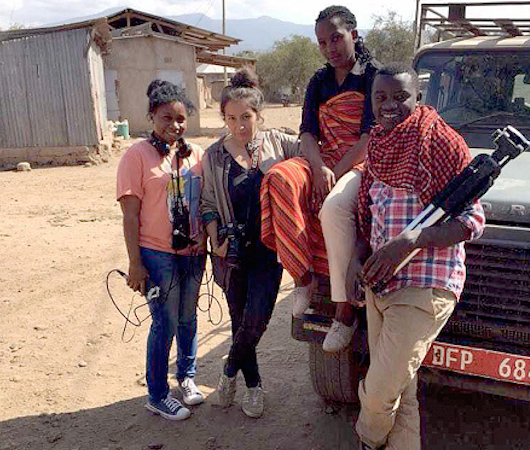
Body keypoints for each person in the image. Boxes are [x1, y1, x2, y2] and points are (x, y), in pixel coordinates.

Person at [353, 63, 485, 450]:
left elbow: (472, 221)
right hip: (380, 285)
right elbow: (369, 213)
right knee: (399, 394)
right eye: (381, 97)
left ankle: (366, 440)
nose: (390, 105)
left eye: (400, 96)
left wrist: (411, 240)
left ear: (419, 98)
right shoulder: (378, 143)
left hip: (425, 287)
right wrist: (355, 259)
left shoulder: (441, 142)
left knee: (377, 394)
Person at [259, 5, 380, 352]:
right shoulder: (319, 80)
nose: (331, 48)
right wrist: (316, 169)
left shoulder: (373, 76)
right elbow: (308, 133)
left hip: (360, 163)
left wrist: (333, 174)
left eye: (336, 38)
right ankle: (303, 276)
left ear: (353, 35)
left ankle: (344, 312)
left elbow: (369, 137)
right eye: (323, 42)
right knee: (279, 178)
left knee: (335, 206)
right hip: (322, 160)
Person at [200, 67, 300, 418]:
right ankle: (253, 387)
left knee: (257, 320)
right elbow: (208, 205)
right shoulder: (213, 156)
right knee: (240, 319)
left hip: (268, 250)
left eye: (246, 117)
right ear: (223, 118)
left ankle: (228, 371)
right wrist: (217, 242)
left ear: (260, 115)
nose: (240, 125)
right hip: (232, 252)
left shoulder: (279, 143)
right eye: (231, 118)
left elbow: (312, 157)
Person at [116, 80, 207, 420]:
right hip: (156, 254)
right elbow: (130, 214)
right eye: (166, 117)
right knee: (164, 323)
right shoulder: (136, 156)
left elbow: (206, 203)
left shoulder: (196, 155)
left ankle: (187, 378)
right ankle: (156, 394)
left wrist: (205, 238)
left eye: (181, 118)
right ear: (152, 116)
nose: (175, 125)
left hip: (193, 252)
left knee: (188, 319)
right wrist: (135, 264)